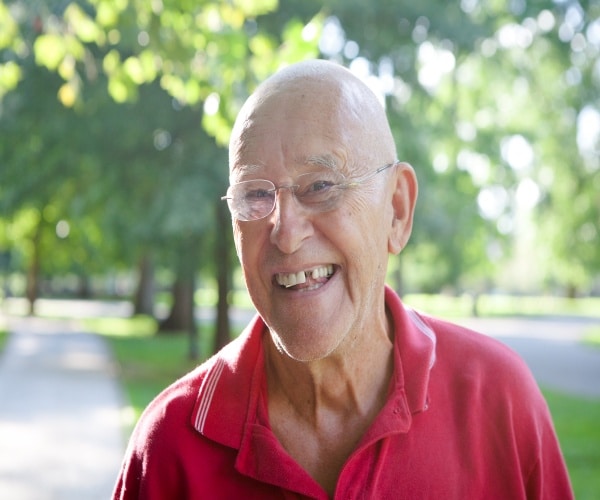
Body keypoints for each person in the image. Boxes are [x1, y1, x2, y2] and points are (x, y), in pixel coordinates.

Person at [112, 59, 573, 499]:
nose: (287, 234)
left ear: (397, 209)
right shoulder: (168, 446)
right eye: (256, 194)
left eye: (320, 186)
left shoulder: (498, 400)